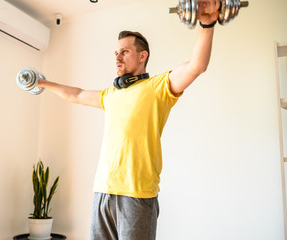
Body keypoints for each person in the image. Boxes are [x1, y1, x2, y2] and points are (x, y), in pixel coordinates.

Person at [37, 1, 220, 239]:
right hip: (102, 192)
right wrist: (42, 83)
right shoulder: (111, 94)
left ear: (142, 55)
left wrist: (207, 23)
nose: (117, 58)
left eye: (124, 52)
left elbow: (197, 66)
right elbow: (77, 94)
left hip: (137, 195)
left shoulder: (158, 87)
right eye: (116, 53)